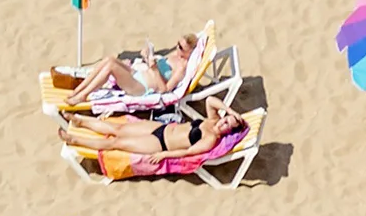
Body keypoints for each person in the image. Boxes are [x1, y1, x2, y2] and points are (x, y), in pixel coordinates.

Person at [62, 97, 248, 159]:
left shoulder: (210, 139)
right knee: (116, 128)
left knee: (117, 143)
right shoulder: (212, 120)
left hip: (160, 143)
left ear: (227, 132)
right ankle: (81, 121)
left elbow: (189, 152)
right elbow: (210, 101)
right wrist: (230, 110)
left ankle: (75, 140)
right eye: (226, 120)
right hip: (160, 127)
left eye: (227, 125)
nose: (222, 123)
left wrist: (164, 155)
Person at [69, 34, 200, 105]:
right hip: (139, 74)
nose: (177, 48)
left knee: (111, 67)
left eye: (181, 48)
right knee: (110, 59)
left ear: (190, 52)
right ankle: (79, 90)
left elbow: (164, 90)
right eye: (177, 44)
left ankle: (83, 96)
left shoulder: (181, 69)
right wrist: (147, 57)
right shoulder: (174, 56)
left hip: (141, 87)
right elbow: (155, 67)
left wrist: (154, 69)